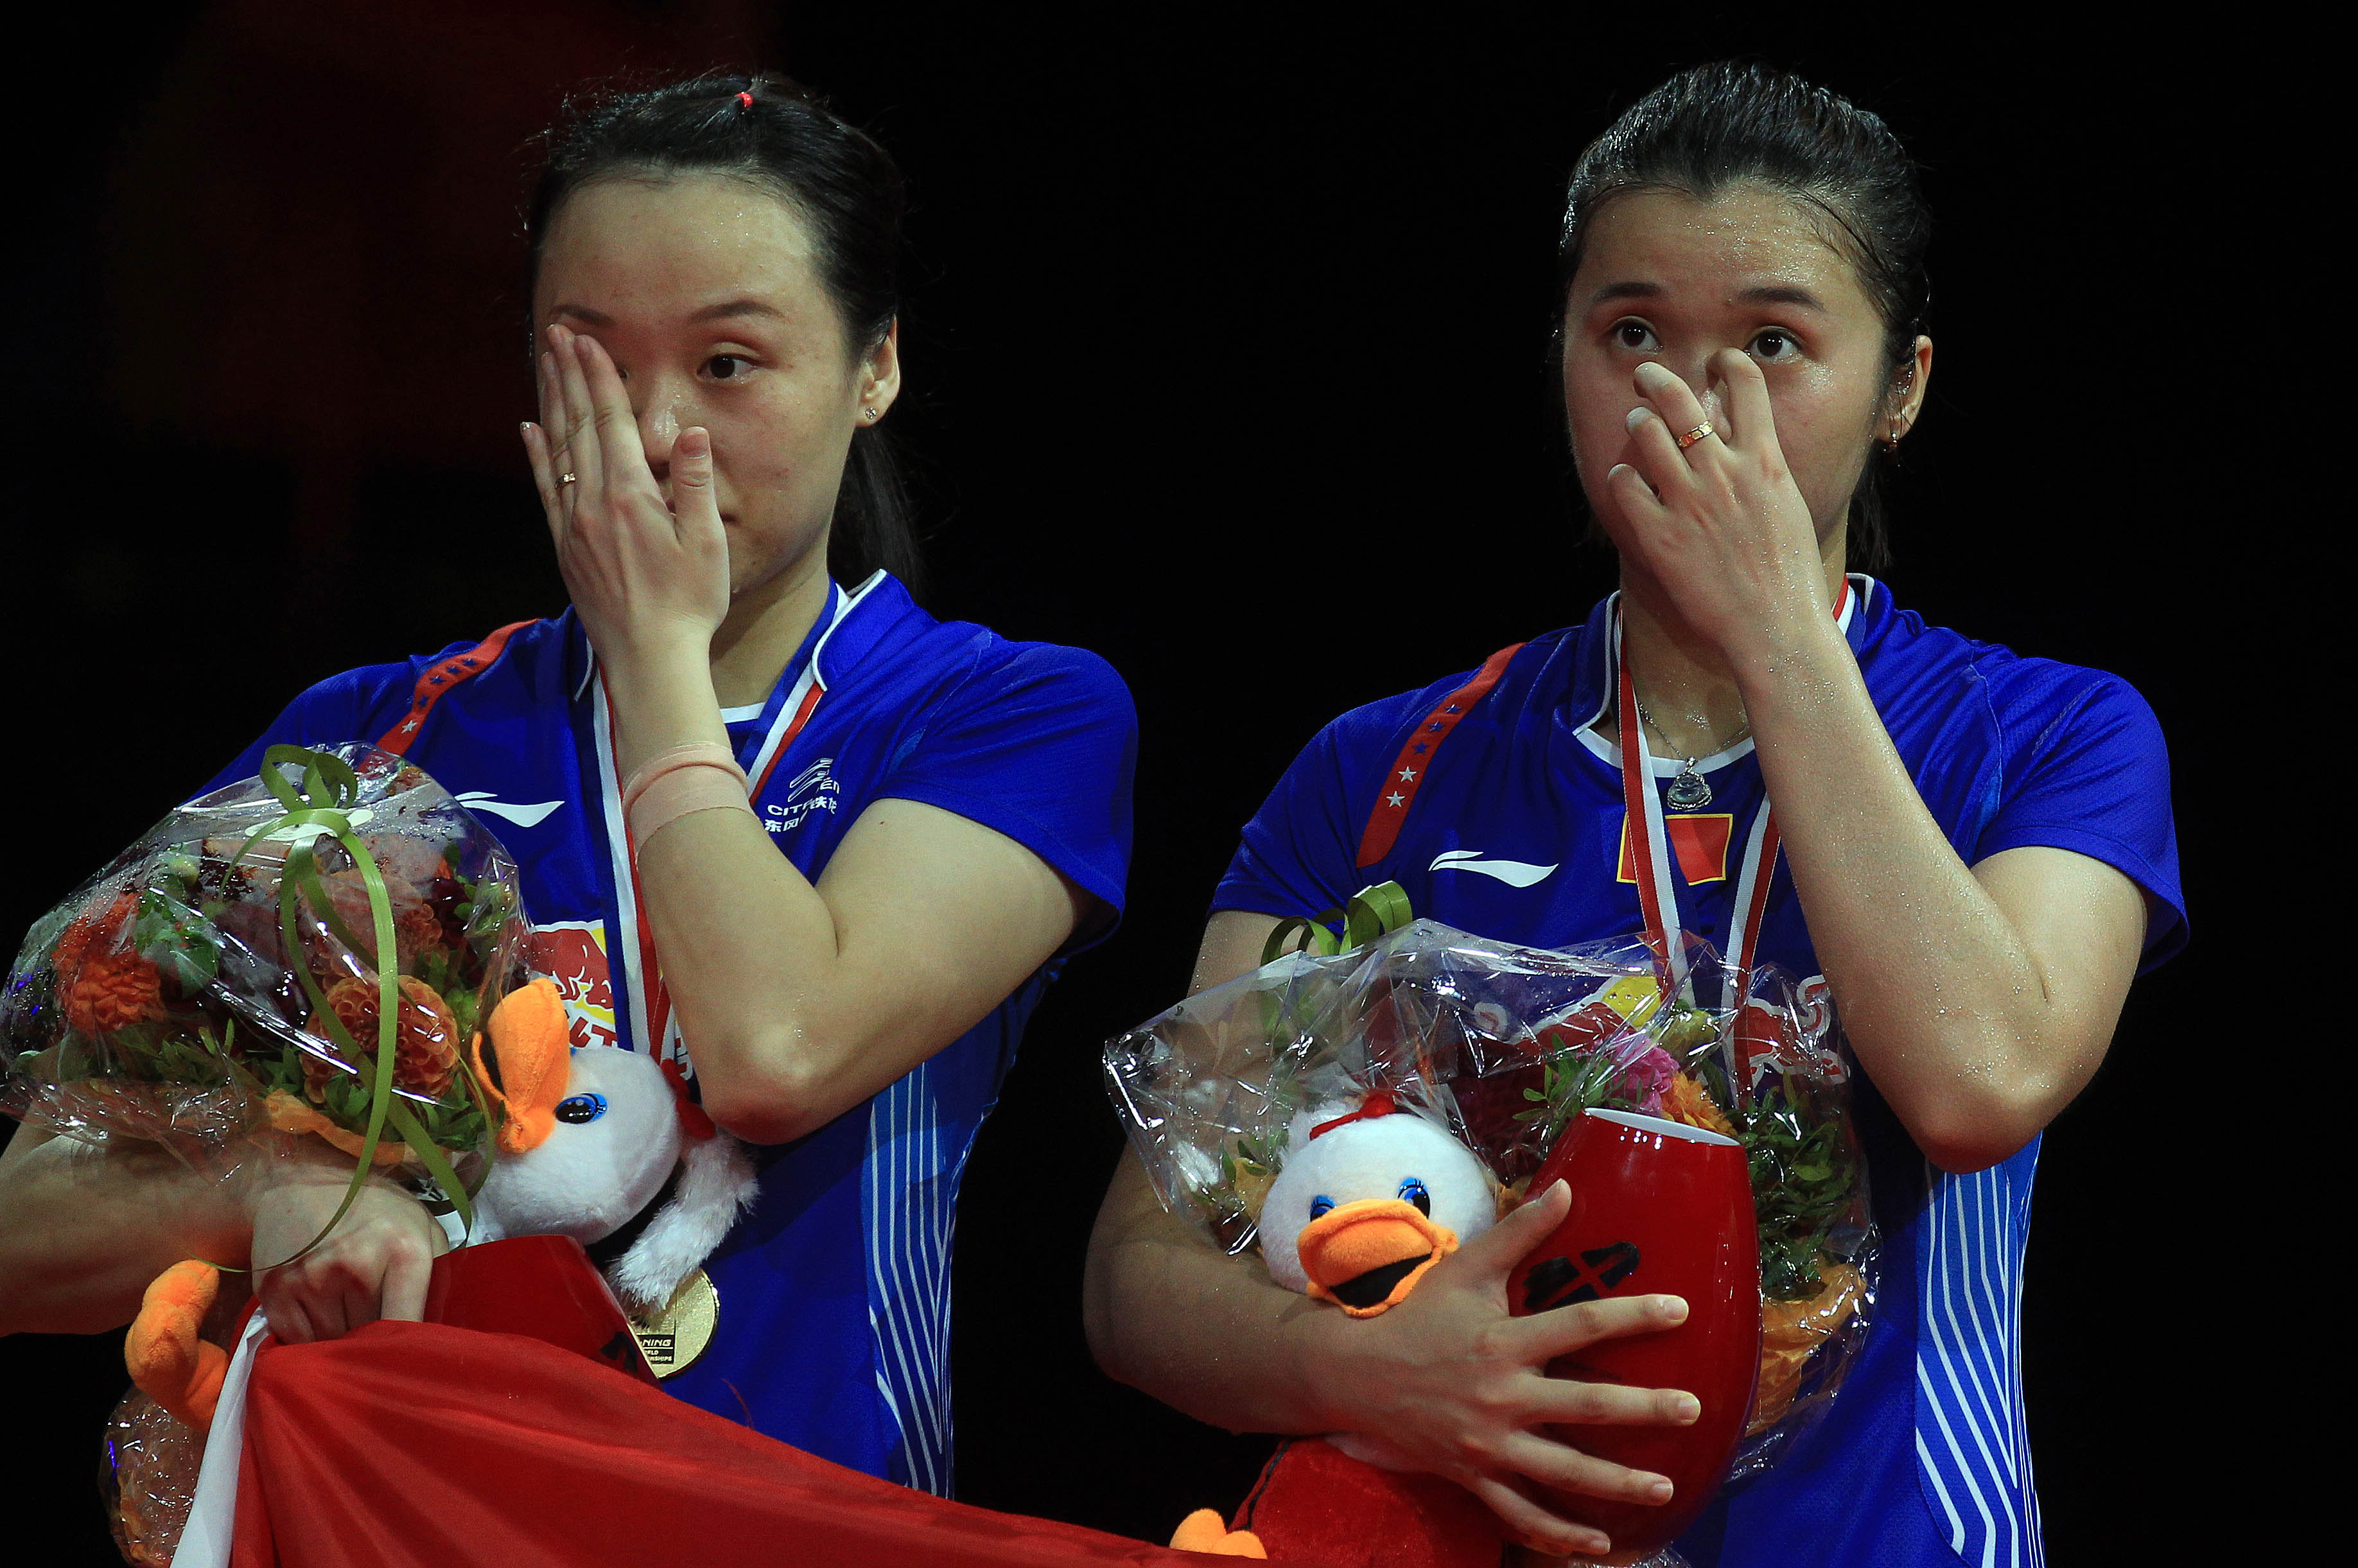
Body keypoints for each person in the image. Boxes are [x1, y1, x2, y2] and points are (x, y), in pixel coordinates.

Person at [1083, 60, 2180, 1565]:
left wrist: (1778, 633)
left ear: (1904, 387)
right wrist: (1366, 1370)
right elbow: (1139, 1274)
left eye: (1775, 342)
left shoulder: (2052, 731)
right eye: (1634, 332)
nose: (1690, 398)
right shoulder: (1381, 763)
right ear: (1563, 357)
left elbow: (1978, 1081)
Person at [0, 72, 1135, 1497]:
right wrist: (273, 1184)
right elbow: (26, 1217)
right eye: (589, 362)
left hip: (801, 1533)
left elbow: (780, 1052)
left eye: (729, 364)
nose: (657, 433)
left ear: (876, 367)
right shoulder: (376, 741)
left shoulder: (1001, 710)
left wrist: (654, 654)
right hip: (409, 1524)